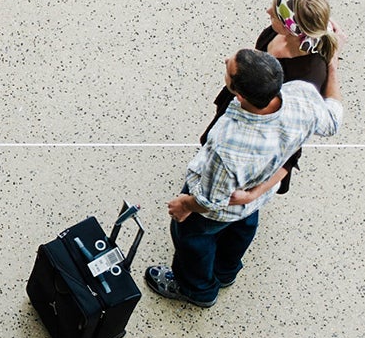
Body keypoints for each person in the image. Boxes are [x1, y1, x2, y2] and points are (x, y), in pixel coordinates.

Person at [146, 47, 343, 308]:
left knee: (193, 240)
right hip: (254, 199)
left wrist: (184, 205)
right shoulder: (303, 97)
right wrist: (332, 67)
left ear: (238, 93)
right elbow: (333, 119)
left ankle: (198, 290)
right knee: (242, 230)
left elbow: (212, 201)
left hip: (219, 210)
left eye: (229, 68)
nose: (226, 59)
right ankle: (226, 273)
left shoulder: (228, 144)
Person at [201, 0, 344, 201]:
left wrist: (251, 196)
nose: (267, 12)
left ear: (290, 28)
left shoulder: (308, 77)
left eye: (275, 14)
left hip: (257, 135)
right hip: (243, 103)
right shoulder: (276, 33)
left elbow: (291, 145)